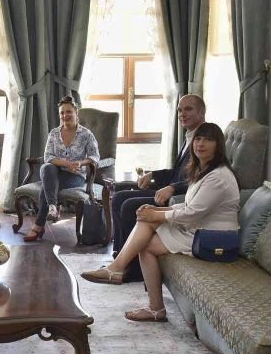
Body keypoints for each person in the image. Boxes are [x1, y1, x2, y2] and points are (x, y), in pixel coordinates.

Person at [81, 123, 240, 322]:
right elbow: (189, 206)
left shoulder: (218, 177)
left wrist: (156, 216)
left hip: (213, 238)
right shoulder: (203, 171)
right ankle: (152, 305)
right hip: (198, 230)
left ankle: (119, 271)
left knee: (147, 225)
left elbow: (192, 214)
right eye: (198, 139)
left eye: (208, 139)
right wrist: (157, 210)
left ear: (218, 145)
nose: (200, 144)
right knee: (146, 234)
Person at [103, 94, 207, 283]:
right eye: (179, 110)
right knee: (118, 198)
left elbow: (202, 177)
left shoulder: (204, 140)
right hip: (171, 190)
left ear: (201, 112)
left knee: (129, 206)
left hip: (182, 197)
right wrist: (152, 175)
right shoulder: (189, 136)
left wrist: (173, 188)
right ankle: (119, 258)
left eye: (188, 109)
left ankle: (134, 270)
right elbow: (176, 171)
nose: (182, 114)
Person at [23, 95, 100, 242]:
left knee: (46, 187)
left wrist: (80, 163)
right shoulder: (54, 133)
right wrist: (66, 164)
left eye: (68, 111)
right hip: (54, 172)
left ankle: (38, 225)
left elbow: (95, 156)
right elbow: (48, 156)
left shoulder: (86, 134)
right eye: (62, 113)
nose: (65, 115)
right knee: (47, 168)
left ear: (76, 112)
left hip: (76, 176)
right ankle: (52, 206)